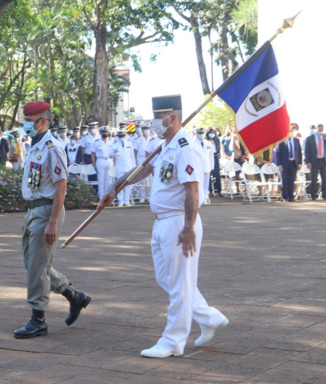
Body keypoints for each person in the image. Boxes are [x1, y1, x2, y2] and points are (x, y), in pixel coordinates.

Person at [101, 95, 227, 358]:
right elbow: (144, 169)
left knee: (180, 283)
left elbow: (193, 189)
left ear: (173, 117)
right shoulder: (166, 146)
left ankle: (173, 341)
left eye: (159, 119)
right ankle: (209, 317)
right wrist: (116, 186)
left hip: (179, 222)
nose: (155, 123)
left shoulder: (186, 147)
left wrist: (189, 227)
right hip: (162, 223)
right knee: (167, 279)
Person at [14, 101, 91, 339]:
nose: (25, 125)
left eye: (29, 121)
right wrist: (29, 214)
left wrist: (53, 222)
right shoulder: (35, 146)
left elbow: (61, 188)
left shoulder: (52, 148)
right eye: (25, 121)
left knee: (37, 266)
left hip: (47, 211)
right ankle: (73, 296)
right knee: (34, 262)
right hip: (34, 210)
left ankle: (38, 319)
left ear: (43, 121)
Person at [274, 132, 302, 201]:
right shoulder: (282, 141)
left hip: (293, 163)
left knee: (292, 181)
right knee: (285, 181)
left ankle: (291, 196)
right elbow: (278, 154)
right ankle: (285, 196)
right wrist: (279, 165)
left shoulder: (296, 141)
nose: (290, 134)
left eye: (291, 132)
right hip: (284, 164)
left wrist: (300, 163)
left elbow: (299, 153)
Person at [112, 128, 135, 207]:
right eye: (120, 136)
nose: (122, 137)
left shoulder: (129, 144)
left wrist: (134, 167)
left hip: (128, 166)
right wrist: (113, 152)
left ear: (126, 136)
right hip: (119, 167)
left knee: (128, 184)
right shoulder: (114, 144)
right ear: (118, 136)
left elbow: (132, 157)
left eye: (123, 135)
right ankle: (120, 201)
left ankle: (126, 200)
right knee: (120, 184)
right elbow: (110, 155)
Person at [91, 126, 114, 201]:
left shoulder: (112, 142)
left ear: (108, 133)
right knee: (101, 180)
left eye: (106, 132)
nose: (105, 133)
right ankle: (101, 197)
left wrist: (114, 164)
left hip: (109, 161)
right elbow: (93, 154)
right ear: (100, 133)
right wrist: (94, 165)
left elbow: (114, 154)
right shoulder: (96, 142)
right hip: (100, 160)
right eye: (103, 132)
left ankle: (108, 196)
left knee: (109, 179)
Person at [304, 124, 326, 200]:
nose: (321, 132)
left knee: (324, 179)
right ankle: (313, 195)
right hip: (314, 161)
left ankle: (324, 195)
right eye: (319, 130)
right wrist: (308, 162)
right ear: (317, 129)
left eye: (322, 130)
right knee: (314, 179)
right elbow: (307, 151)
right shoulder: (310, 138)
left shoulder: (324, 138)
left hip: (323, 161)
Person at [198, 129, 214, 203]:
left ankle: (205, 197)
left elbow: (211, 156)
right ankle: (199, 198)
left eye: (202, 133)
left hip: (207, 165)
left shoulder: (208, 143)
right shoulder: (193, 142)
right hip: (198, 166)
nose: (201, 135)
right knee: (199, 183)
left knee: (206, 183)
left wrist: (211, 165)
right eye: (200, 133)